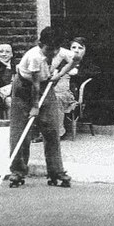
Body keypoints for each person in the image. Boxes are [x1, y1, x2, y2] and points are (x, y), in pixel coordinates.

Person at [8, 26, 76, 188]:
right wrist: (35, 107)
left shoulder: (58, 50)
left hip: (46, 87)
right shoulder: (34, 57)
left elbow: (78, 57)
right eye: (49, 49)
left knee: (52, 129)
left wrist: (59, 74)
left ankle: (56, 171)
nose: (53, 53)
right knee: (21, 132)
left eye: (56, 49)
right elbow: (35, 87)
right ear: (40, 44)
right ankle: (17, 171)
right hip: (24, 89)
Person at [0, 42, 16, 118]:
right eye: (1, 52)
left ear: (12, 54)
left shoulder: (16, 67)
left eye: (7, 52)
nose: (4, 54)